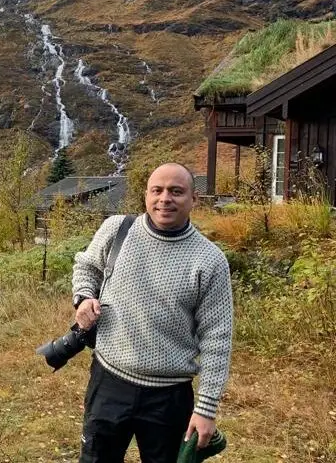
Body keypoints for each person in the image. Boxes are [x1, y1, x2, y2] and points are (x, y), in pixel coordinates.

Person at [71, 163, 233, 463]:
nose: (165, 199)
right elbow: (86, 266)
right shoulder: (117, 229)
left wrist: (206, 410)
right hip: (108, 381)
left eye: (176, 191)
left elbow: (217, 340)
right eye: (157, 190)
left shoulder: (210, 260)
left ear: (193, 200)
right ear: (145, 195)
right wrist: (83, 298)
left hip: (169, 397)